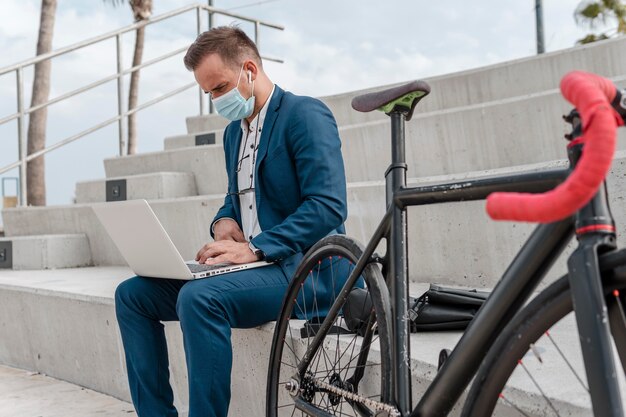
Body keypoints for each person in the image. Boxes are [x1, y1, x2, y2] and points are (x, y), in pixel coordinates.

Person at [114, 26, 348, 417]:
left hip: (307, 271)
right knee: (131, 296)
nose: (216, 99)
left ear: (249, 70)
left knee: (199, 297)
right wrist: (223, 223)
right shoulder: (232, 136)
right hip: (256, 268)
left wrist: (254, 247)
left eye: (220, 87)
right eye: (208, 93)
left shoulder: (304, 114)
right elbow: (235, 198)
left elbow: (328, 205)